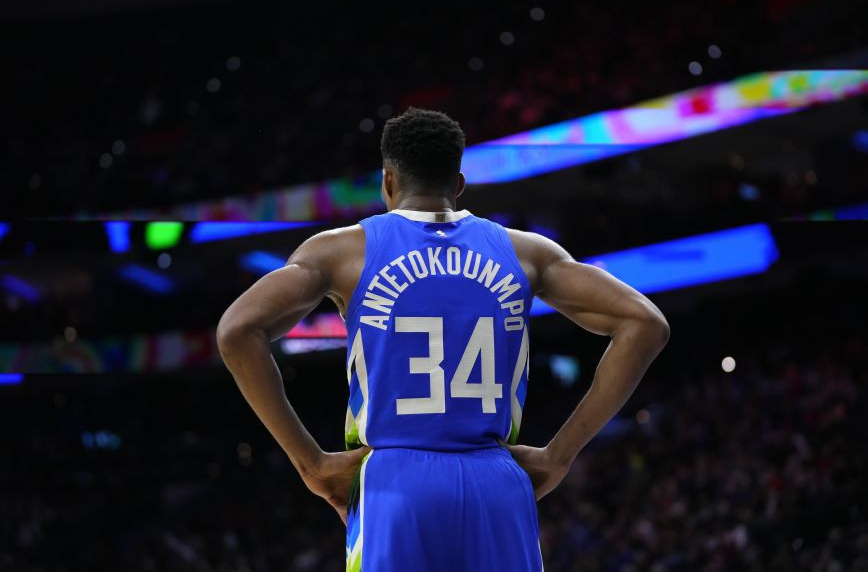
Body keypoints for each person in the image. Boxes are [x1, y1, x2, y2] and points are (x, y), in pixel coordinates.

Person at [216, 107, 670, 571]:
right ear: (459, 184)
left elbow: (237, 332)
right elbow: (645, 324)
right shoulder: (528, 253)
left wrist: (310, 464)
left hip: (395, 483)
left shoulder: (341, 251)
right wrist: (559, 456)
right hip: (497, 482)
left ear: (387, 181)